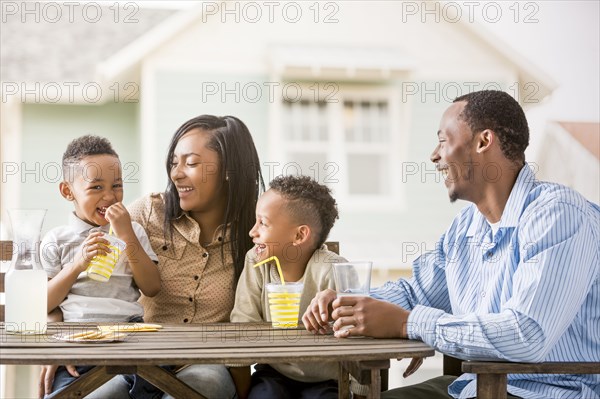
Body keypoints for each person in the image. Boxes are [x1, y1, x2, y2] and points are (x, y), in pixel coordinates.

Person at [303, 90, 600, 399]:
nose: (434, 155)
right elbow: (419, 292)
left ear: (484, 142)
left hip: (549, 392)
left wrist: (408, 324)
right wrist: (348, 302)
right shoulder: (466, 226)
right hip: (473, 388)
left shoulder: (559, 215)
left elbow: (526, 334)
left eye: (443, 141)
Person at [40, 135, 160, 398]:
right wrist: (76, 265)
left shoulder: (133, 231)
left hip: (127, 338)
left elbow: (151, 287)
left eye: (116, 185)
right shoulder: (57, 240)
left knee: (141, 380)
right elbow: (42, 304)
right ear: (67, 191)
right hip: (77, 343)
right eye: (96, 187)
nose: (109, 196)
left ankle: (116, 386)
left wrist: (127, 236)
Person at [230, 175, 369, 398]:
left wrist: (361, 394)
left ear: (299, 235)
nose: (252, 232)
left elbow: (361, 338)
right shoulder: (255, 262)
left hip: (328, 380)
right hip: (273, 373)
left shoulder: (334, 271)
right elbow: (243, 327)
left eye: (262, 223)